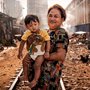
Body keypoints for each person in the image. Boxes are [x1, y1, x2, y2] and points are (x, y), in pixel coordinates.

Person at [31, 4, 69, 90]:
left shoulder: (61, 33)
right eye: (50, 15)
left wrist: (42, 57)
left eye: (56, 16)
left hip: (49, 78)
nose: (52, 18)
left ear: (62, 19)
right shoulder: (47, 32)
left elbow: (61, 55)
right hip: (41, 77)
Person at [17, 15, 50, 88]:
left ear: (39, 24)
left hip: (40, 53)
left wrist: (47, 51)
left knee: (36, 65)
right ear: (27, 26)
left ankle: (35, 80)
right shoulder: (27, 33)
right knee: (24, 61)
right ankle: (25, 76)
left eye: (35, 24)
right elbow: (22, 42)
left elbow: (48, 41)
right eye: (30, 25)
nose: (33, 27)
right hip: (31, 52)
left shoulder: (43, 32)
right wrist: (20, 52)